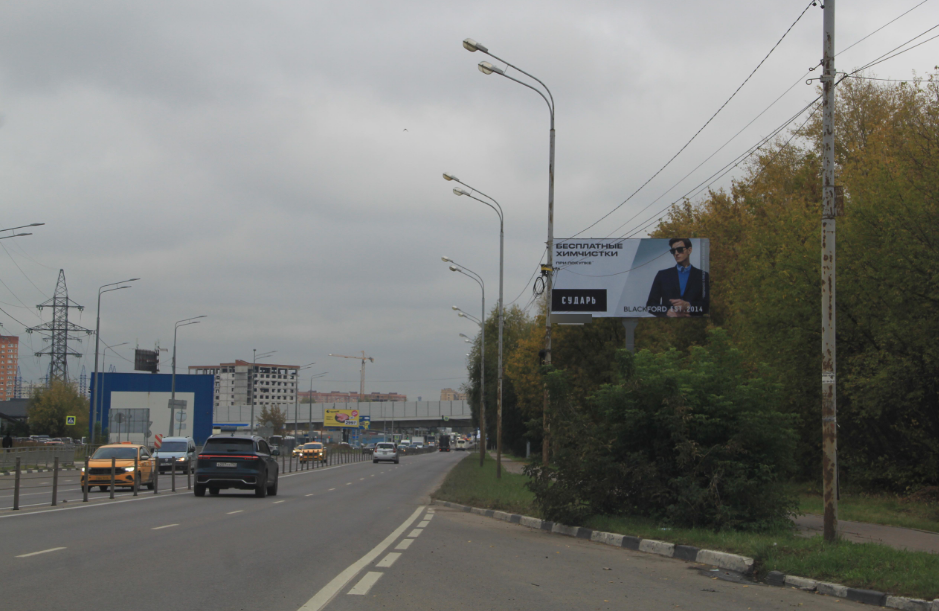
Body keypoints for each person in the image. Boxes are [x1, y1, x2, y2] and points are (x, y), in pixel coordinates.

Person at [645, 238, 710, 317]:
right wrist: (667, 312)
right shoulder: (662, 275)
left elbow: (707, 305)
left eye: (679, 249)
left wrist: (688, 305)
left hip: (695, 325)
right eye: (673, 251)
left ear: (689, 250)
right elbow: (651, 305)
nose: (676, 253)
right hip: (668, 325)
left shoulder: (702, 276)